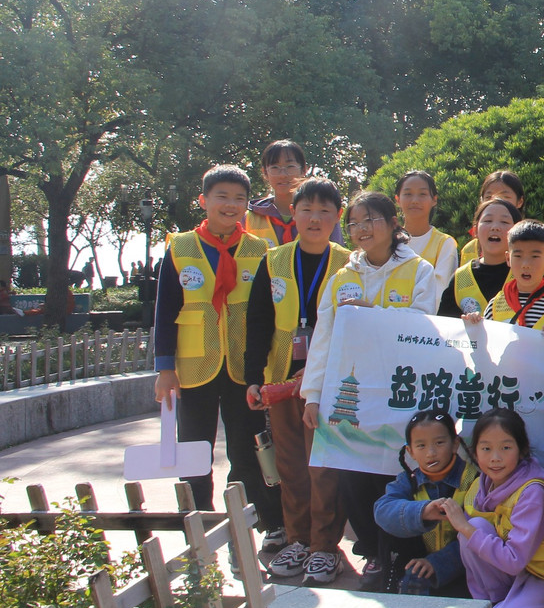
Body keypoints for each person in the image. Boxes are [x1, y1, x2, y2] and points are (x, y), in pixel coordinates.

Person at [300, 190, 441, 584]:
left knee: (399, 471)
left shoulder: (420, 270)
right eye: (354, 223)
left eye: (370, 220)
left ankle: (404, 552)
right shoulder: (341, 278)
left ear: (393, 223)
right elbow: (323, 339)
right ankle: (371, 552)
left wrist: (372, 314)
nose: (361, 229)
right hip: (353, 393)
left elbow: (422, 326)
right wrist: (313, 395)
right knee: (353, 474)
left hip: (401, 391)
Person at [152, 165, 278, 541]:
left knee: (247, 451)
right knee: (193, 451)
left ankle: (250, 526)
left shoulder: (259, 250)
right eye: (222, 196)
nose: (231, 204)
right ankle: (198, 529)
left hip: (244, 367)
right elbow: (165, 311)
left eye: (240, 198)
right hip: (194, 366)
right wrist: (164, 368)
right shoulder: (180, 248)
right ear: (203, 200)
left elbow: (267, 313)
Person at [243, 177, 350, 578]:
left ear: (338, 216)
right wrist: (253, 377)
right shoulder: (273, 261)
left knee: (324, 467)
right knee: (290, 466)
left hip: (327, 383)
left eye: (325, 211)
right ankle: (297, 540)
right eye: (306, 209)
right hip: (281, 381)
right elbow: (258, 322)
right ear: (293, 213)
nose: (315, 218)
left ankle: (325, 546)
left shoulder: (350, 264)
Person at [439, 408, 544, 608]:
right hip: (512, 574)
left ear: (522, 450)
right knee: (475, 528)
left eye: (505, 448)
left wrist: (464, 527)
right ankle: (494, 604)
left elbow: (514, 560)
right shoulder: (480, 484)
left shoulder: (532, 492)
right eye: (486, 448)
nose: (495, 458)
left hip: (542, 577)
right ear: (474, 452)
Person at [373, 410, 472, 597]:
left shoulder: (474, 479)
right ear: (410, 451)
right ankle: (393, 586)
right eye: (421, 445)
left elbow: (480, 536)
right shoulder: (409, 480)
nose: (431, 453)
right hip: (420, 561)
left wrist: (437, 563)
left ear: (455, 444)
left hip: (464, 565)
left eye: (439, 443)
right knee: (390, 525)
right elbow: (382, 510)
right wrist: (422, 512)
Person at [245, 140, 340, 247]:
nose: (283, 175)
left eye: (290, 167)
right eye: (275, 168)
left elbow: (337, 252)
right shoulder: (250, 217)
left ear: (303, 170)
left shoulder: (324, 214)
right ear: (265, 173)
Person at [480, 220, 544, 330]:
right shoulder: (495, 306)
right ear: (508, 259)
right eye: (518, 256)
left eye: (535, 257)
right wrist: (473, 324)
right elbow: (485, 338)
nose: (526, 265)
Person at [439, 199, 520, 318]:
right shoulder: (461, 278)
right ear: (475, 230)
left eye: (504, 222)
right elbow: (445, 324)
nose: (495, 227)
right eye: (488, 221)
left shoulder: (530, 273)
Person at [395, 170, 458, 301]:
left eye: (422, 194)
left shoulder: (445, 244)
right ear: (398, 200)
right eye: (408, 194)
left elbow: (439, 291)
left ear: (434, 200)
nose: (415, 200)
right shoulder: (388, 241)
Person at [459, 170, 525, 264]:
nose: (496, 201)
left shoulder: (531, 245)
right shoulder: (469, 250)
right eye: (489, 197)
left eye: (505, 197)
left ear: (520, 201)